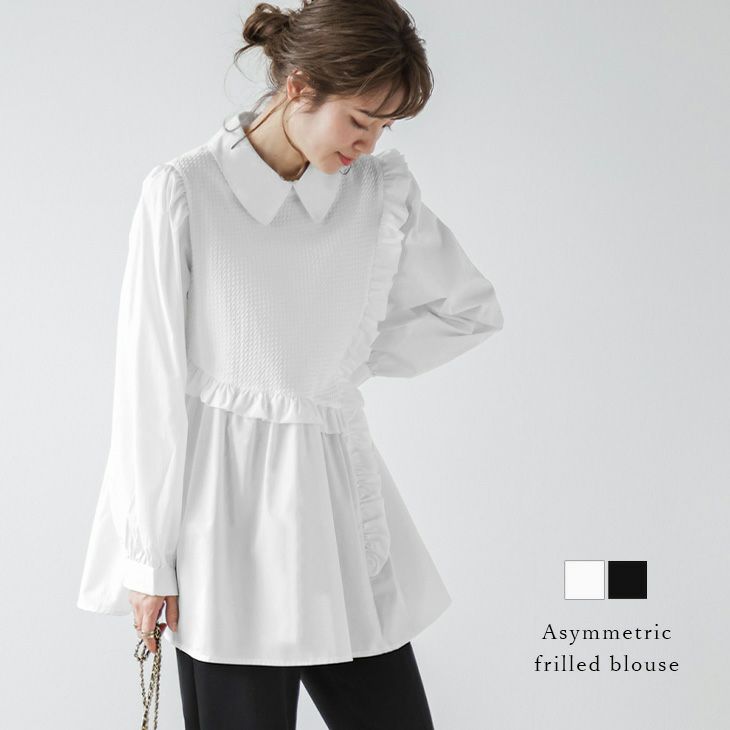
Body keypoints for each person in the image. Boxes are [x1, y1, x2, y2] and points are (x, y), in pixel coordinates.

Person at [76, 0, 504, 727]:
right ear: (300, 87)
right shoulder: (185, 192)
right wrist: (147, 561)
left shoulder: (377, 194)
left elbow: (469, 308)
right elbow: (148, 385)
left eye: (386, 127)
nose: (369, 144)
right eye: (360, 120)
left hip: (337, 519)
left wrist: (338, 363)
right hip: (221, 527)